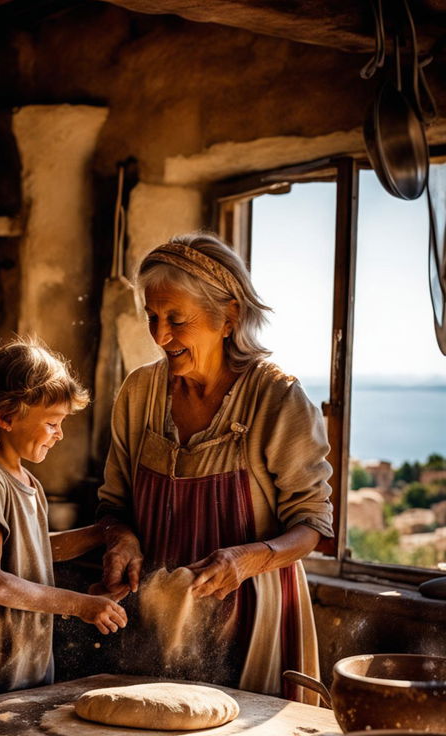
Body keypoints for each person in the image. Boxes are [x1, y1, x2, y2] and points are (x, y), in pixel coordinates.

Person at [95, 232, 333, 702]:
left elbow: (312, 525)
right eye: (153, 318)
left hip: (252, 625)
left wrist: (245, 560)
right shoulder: (140, 393)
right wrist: (120, 538)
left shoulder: (277, 399)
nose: (161, 336)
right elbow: (114, 504)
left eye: (176, 319)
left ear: (229, 317)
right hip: (156, 618)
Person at [0, 337, 127, 705]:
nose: (60, 434)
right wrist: (78, 605)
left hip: (25, 663)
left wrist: (103, 534)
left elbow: (32, 550)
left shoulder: (28, 482)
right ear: (5, 417)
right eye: (52, 423)